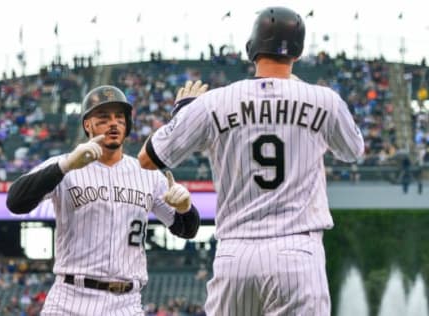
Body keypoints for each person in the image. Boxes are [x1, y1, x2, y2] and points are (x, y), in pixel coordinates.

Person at [138, 6, 364, 316]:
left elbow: (147, 159)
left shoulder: (213, 101)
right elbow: (353, 150)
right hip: (297, 251)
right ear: (297, 52)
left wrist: (184, 113)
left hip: (235, 254)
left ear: (251, 49)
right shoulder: (324, 99)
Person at [6, 85, 200, 316]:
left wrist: (185, 208)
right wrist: (65, 166)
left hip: (126, 303)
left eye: (119, 117)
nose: (113, 123)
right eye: (103, 117)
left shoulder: (147, 172)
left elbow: (187, 230)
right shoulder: (64, 165)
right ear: (87, 124)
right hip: (70, 299)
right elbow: (15, 202)